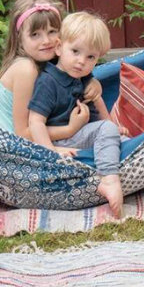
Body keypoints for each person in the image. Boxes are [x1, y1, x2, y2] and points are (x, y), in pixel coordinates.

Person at [28, 11, 123, 218]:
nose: (82, 61)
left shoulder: (81, 76)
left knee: (116, 134)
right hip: (63, 139)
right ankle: (108, 179)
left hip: (80, 134)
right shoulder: (48, 82)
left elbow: (96, 107)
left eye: (91, 57)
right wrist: (50, 152)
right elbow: (35, 121)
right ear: (59, 48)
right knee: (107, 130)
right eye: (76, 51)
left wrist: (110, 124)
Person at [0, 0, 80, 155]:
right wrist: (70, 129)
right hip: (13, 150)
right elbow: (22, 133)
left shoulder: (46, 63)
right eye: (35, 34)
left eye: (52, 31)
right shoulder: (26, 69)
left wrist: (92, 83)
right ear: (19, 38)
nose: (46, 41)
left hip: (32, 140)